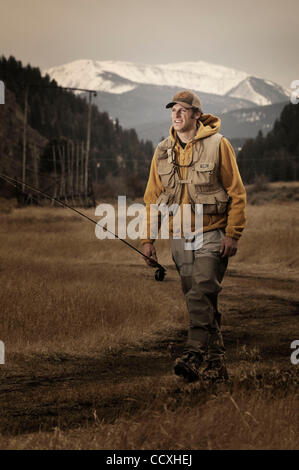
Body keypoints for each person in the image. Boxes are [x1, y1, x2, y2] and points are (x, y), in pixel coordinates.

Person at [141, 90, 246, 383]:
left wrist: (233, 234)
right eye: (173, 109)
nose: (176, 114)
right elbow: (153, 199)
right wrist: (148, 241)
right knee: (198, 299)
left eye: (183, 110)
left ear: (197, 115)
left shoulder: (218, 145)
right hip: (179, 236)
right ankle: (216, 364)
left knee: (201, 291)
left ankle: (193, 355)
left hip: (213, 233)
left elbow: (237, 193)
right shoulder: (162, 151)